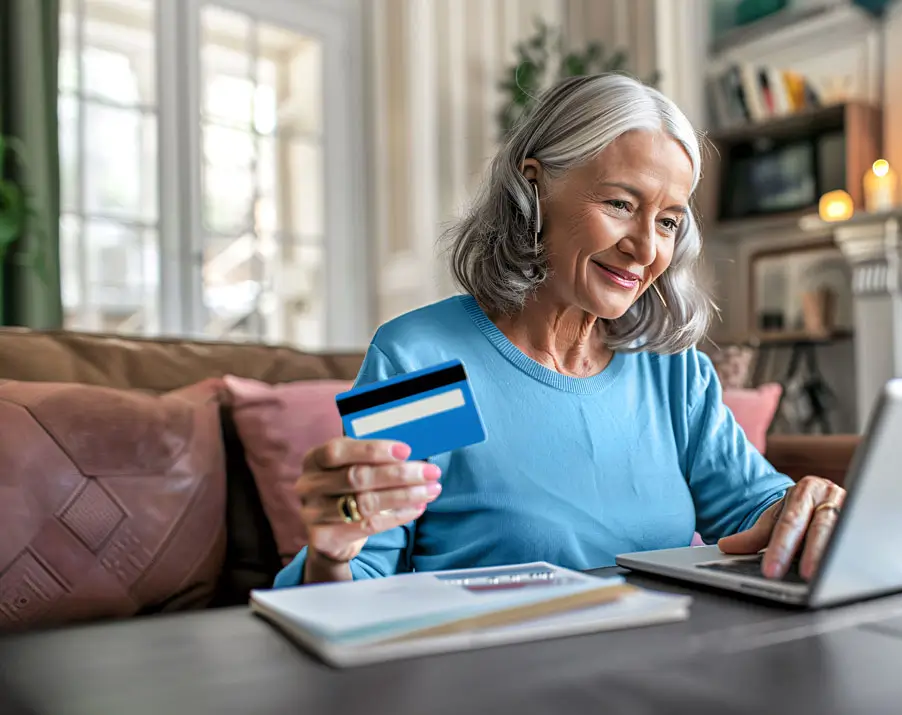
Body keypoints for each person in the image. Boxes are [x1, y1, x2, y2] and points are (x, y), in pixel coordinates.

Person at [274, 73, 846, 589]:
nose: (646, 248)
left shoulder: (671, 370)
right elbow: (361, 569)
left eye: (668, 221)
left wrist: (808, 507)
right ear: (535, 189)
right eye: (621, 204)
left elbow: (754, 508)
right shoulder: (424, 361)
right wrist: (332, 547)